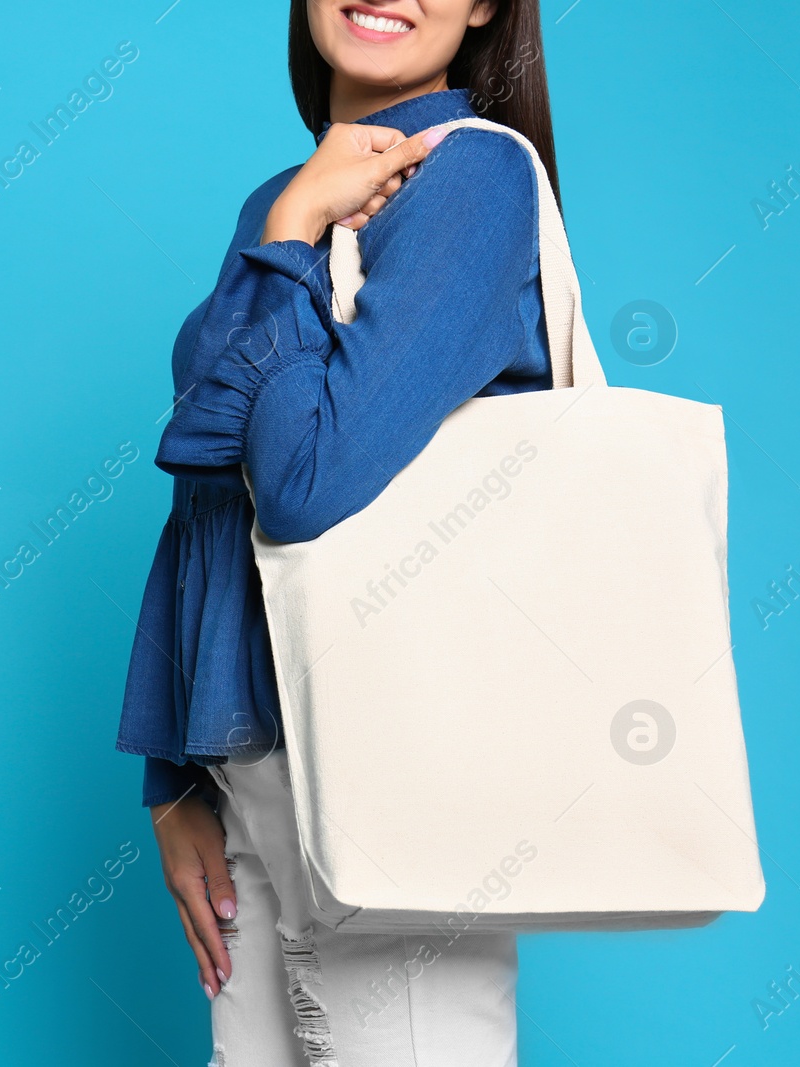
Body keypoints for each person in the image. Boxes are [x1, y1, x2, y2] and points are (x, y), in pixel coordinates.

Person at [116, 2, 562, 1063]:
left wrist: (293, 233)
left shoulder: (474, 179)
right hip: (256, 770)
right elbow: (206, 505)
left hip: (395, 759)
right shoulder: (283, 199)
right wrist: (174, 774)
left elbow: (304, 484)